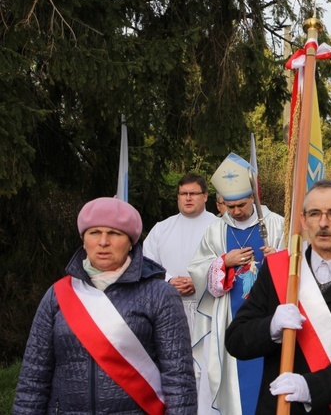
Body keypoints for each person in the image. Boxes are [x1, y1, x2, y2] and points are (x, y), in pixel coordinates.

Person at [225, 180, 331, 413]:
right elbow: (236, 340)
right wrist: (270, 327)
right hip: (279, 408)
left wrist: (309, 387)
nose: (323, 223)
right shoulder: (278, 270)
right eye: (314, 213)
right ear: (304, 221)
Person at [14, 197, 197, 413]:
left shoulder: (160, 295)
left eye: (114, 233)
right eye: (94, 233)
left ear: (131, 242)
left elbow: (179, 381)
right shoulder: (57, 295)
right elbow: (33, 378)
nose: (103, 242)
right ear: (83, 240)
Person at [189, 153, 285, 414]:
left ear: (253, 198)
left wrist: (278, 259)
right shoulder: (216, 230)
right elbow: (197, 270)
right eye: (229, 207)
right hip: (229, 316)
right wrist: (223, 262)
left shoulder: (277, 225)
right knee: (233, 378)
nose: (236, 212)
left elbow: (299, 268)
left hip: (269, 315)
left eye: (241, 205)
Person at [144, 172, 217, 334]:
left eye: (193, 193)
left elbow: (226, 263)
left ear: (205, 196)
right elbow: (146, 263)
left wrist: (199, 281)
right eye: (183, 194)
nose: (188, 198)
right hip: (169, 308)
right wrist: (169, 280)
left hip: (207, 308)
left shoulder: (219, 227)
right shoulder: (161, 229)